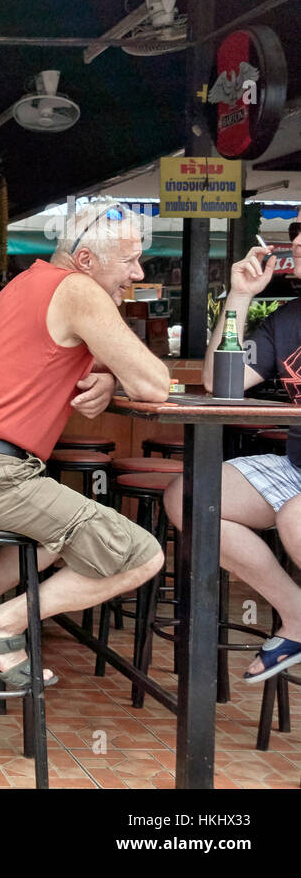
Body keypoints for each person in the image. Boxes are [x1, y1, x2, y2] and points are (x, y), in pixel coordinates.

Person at [0, 199, 169, 688]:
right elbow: (155, 385)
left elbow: (59, 356)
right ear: (85, 262)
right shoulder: (78, 289)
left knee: (57, 533)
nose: (137, 273)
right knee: (144, 556)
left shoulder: (29, 282)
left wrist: (108, 379)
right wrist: (124, 379)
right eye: (129, 261)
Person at [163, 219, 301, 682]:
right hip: (295, 466)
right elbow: (222, 382)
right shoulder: (290, 318)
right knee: (191, 496)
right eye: (297, 229)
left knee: (296, 517)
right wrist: (240, 296)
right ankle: (297, 614)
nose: (297, 240)